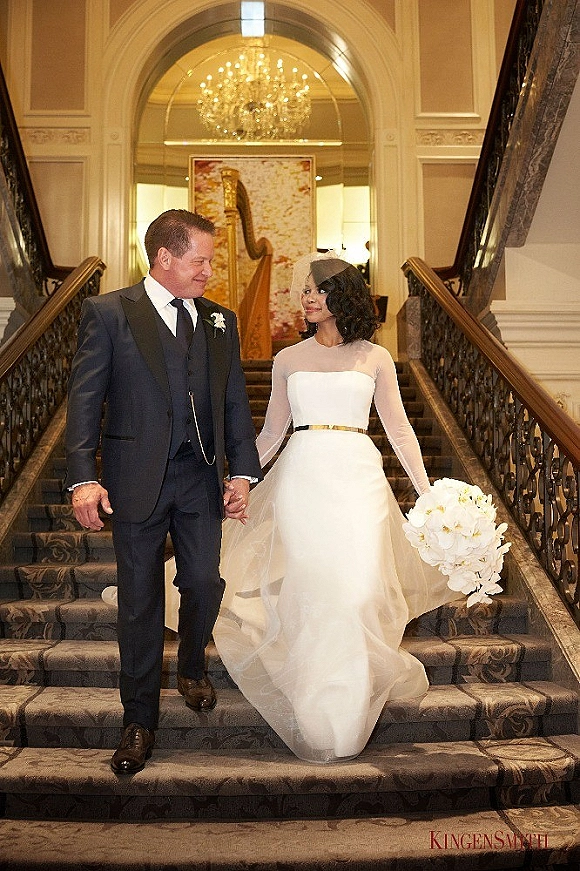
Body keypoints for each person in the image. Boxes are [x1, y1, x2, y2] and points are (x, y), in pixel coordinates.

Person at [207, 252, 460, 763]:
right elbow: (272, 432)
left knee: (359, 589)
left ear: (342, 296)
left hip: (359, 477)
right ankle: (318, 712)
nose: (306, 298)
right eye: (304, 290)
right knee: (314, 589)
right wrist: (239, 479)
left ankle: (347, 705)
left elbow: (400, 430)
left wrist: (427, 493)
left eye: (316, 290)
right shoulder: (287, 359)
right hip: (302, 479)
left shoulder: (376, 357)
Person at [65, 209, 262, 774]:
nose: (208, 271)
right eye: (200, 261)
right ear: (164, 258)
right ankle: (138, 721)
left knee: (203, 581)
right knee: (140, 603)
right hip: (134, 479)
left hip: (200, 479)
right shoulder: (109, 312)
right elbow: (85, 399)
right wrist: (83, 477)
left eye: (209, 261)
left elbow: (233, 402)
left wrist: (242, 473)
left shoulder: (220, 321)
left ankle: (192, 663)